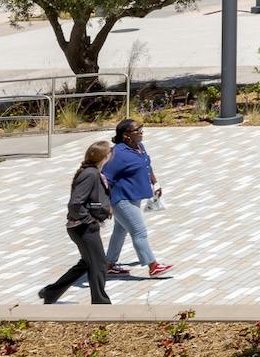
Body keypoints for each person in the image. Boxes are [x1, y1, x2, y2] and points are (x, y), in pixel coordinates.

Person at [39, 141, 116, 306]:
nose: (111, 154)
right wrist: (88, 219)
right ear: (104, 156)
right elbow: (75, 203)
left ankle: (50, 293)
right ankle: (101, 303)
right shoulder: (91, 174)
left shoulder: (93, 172)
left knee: (86, 263)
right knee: (99, 263)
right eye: (110, 152)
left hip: (84, 226)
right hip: (83, 227)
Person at [102, 118, 169, 279]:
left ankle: (108, 265)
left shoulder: (139, 147)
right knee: (139, 231)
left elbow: (147, 165)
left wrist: (156, 183)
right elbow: (105, 178)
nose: (141, 132)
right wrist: (106, 204)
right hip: (120, 199)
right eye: (137, 130)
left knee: (120, 230)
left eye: (142, 129)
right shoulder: (117, 154)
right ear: (126, 136)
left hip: (134, 195)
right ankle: (153, 266)